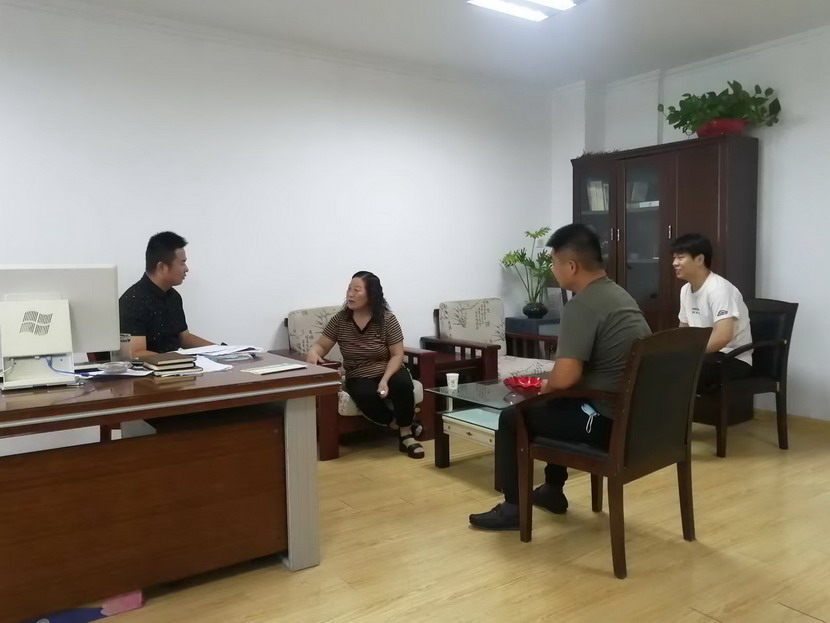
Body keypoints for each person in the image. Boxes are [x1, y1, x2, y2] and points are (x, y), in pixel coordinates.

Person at [469, 223, 651, 531]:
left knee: (513, 418)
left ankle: (513, 509)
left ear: (571, 265)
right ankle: (552, 491)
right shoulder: (619, 295)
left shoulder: (583, 304)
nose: (553, 271)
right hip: (636, 419)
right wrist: (550, 388)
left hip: (607, 423)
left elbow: (565, 378)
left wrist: (543, 387)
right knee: (556, 402)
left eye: (554, 263)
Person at [306, 271, 424, 459]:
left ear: (371, 295)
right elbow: (321, 346)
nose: (350, 294)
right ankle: (396, 424)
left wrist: (384, 380)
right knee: (365, 394)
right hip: (358, 373)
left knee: (402, 383)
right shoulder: (340, 320)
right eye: (349, 289)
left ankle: (406, 435)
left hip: (388, 368)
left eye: (357, 290)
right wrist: (313, 351)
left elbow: (397, 355)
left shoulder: (387, 319)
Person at [671, 233, 753, 391]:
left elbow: (723, 336)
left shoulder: (718, 289)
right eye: (674, 258)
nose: (675, 263)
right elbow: (683, 331)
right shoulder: (685, 290)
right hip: (705, 355)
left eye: (680, 258)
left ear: (700, 259)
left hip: (732, 358)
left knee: (679, 373)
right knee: (659, 365)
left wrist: (691, 353)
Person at [119, 231, 214, 358]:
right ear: (162, 267)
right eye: (182, 263)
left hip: (174, 366)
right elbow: (136, 353)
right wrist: (182, 361)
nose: (186, 269)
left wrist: (221, 350)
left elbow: (184, 338)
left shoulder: (174, 297)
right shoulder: (133, 301)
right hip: (153, 369)